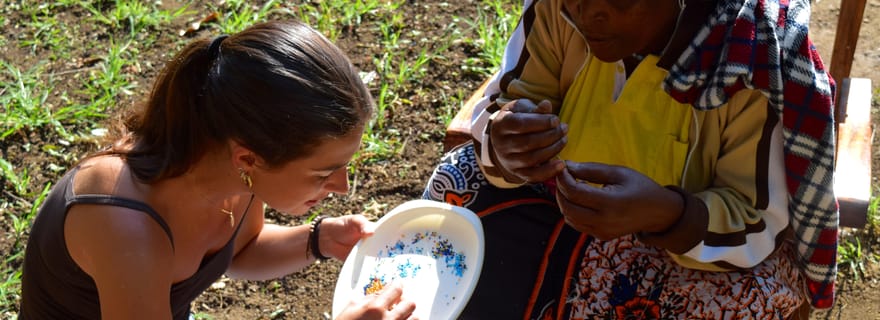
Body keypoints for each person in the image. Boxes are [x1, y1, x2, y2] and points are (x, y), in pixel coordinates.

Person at [423, 0, 839, 318]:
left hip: (697, 248)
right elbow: (512, 101)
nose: (589, 15)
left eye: (619, 1)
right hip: (557, 204)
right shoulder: (557, 10)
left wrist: (666, 215)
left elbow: (754, 221)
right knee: (458, 185)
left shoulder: (751, 58)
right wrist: (509, 142)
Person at [19, 20, 416, 320]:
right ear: (247, 159)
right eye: (322, 173)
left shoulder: (228, 167)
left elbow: (241, 249)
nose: (343, 187)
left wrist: (317, 240)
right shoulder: (125, 226)